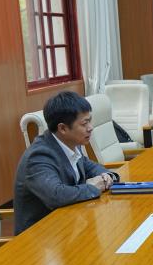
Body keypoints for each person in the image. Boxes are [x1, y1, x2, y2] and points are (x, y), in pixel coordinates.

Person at [13, 91, 114, 234]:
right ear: (63, 128)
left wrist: (106, 176)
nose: (90, 127)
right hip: (40, 237)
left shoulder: (71, 143)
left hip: (68, 225)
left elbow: (89, 166)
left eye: (90, 121)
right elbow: (56, 195)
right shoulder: (39, 157)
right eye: (84, 123)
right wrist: (92, 187)